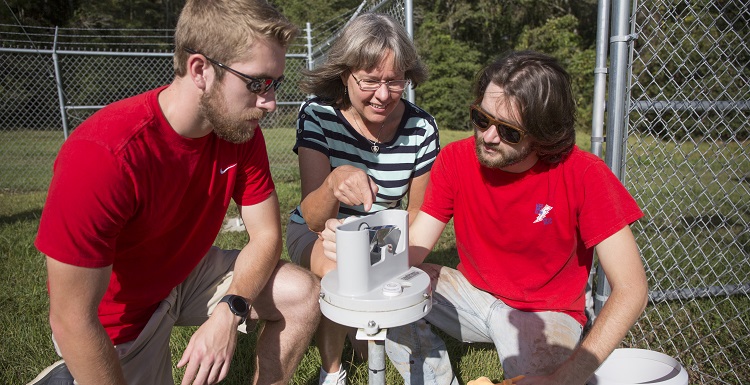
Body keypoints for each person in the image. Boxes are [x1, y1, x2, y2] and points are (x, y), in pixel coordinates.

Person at [28, 1, 320, 384]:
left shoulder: (239, 131)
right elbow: (72, 319)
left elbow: (266, 236)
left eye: (274, 84)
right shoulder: (104, 155)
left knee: (301, 293)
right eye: (257, 83)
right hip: (119, 320)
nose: (269, 102)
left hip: (184, 273)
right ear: (200, 69)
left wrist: (230, 310)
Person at [322, 50, 649, 384]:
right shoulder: (455, 160)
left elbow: (631, 289)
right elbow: (416, 246)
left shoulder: (584, 174)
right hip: (470, 293)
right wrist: (360, 250)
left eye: (509, 132)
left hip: (546, 312)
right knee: (391, 290)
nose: (488, 136)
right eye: (481, 118)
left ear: (543, 133)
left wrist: (561, 379)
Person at [286, 12, 439, 385]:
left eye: (395, 82)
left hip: (383, 237)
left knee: (368, 284)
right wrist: (334, 184)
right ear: (344, 75)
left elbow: (420, 213)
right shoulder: (318, 116)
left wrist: (398, 260)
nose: (383, 95)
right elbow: (313, 218)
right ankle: (332, 371)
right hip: (321, 231)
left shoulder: (421, 128)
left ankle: (369, 341)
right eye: (370, 82)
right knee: (341, 272)